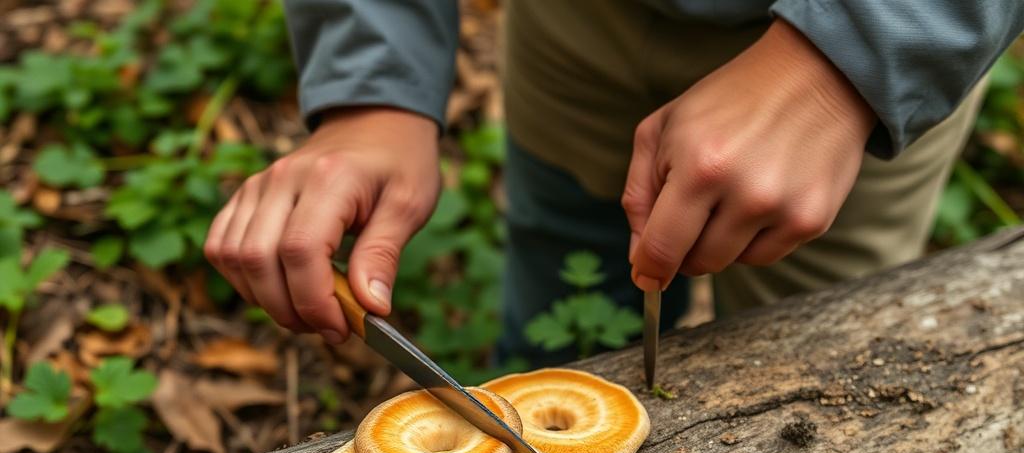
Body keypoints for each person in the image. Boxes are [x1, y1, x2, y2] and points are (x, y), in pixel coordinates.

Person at [204, 1, 1024, 366]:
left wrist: (847, 58)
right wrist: (371, 86)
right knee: (561, 246)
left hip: (860, 81)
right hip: (575, 29)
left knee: (806, 352)